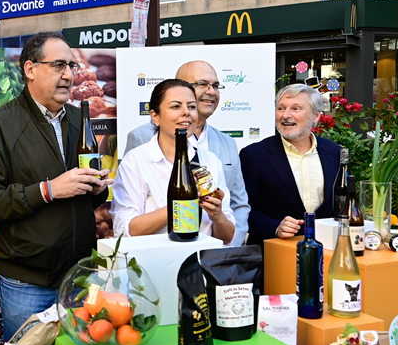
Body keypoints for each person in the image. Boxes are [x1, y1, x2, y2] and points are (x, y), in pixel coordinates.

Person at [0, 32, 111, 340]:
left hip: (80, 278)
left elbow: (82, 199)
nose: (69, 75)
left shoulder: (79, 118)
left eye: (71, 66)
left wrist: (97, 190)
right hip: (27, 284)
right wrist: (48, 190)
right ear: (30, 69)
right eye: (59, 65)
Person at [125, 60, 249, 245]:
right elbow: (126, 228)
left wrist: (221, 225)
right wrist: (183, 204)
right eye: (202, 84)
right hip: (156, 256)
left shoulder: (218, 153)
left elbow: (236, 209)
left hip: (208, 257)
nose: (211, 91)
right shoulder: (139, 149)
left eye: (215, 86)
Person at [240, 83, 341, 243]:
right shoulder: (254, 155)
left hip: (326, 247)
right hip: (276, 250)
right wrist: (275, 227)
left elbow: (342, 203)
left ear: (316, 116)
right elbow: (242, 209)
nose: (286, 115)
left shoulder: (334, 152)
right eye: (281, 108)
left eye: (296, 108)